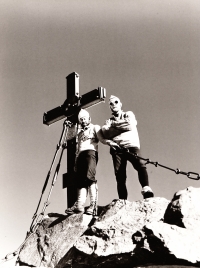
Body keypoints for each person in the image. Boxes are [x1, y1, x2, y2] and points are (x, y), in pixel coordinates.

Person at [101, 95, 154, 200]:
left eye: (116, 102)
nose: (114, 105)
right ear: (110, 107)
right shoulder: (107, 122)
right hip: (116, 149)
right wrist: (120, 128)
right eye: (111, 104)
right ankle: (122, 199)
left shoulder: (128, 114)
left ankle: (146, 189)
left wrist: (113, 126)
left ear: (120, 104)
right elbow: (106, 133)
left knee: (140, 164)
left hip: (131, 145)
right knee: (120, 175)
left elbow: (130, 124)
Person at [65, 109, 101, 216]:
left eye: (85, 118)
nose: (83, 121)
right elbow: (69, 137)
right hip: (80, 155)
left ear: (89, 118)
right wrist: (68, 126)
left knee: (90, 178)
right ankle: (79, 205)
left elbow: (102, 137)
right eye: (81, 120)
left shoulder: (95, 127)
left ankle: (93, 204)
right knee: (80, 181)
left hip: (91, 152)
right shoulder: (79, 133)